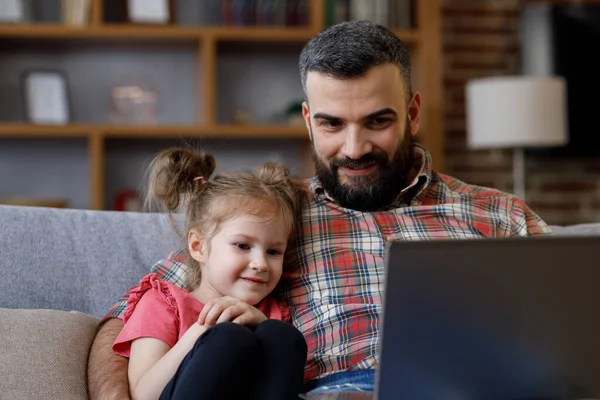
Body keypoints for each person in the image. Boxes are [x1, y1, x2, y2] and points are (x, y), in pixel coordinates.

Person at [88, 20, 552, 399]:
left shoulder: (500, 214)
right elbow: (126, 318)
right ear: (309, 121)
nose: (354, 148)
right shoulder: (271, 218)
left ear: (412, 114)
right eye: (332, 124)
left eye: (378, 121)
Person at [110, 148, 307, 400]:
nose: (261, 263)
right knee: (229, 337)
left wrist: (260, 322)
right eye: (243, 246)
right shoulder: (162, 302)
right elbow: (143, 395)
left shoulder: (271, 314)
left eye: (273, 251)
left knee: (283, 336)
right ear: (198, 246)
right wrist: (201, 332)